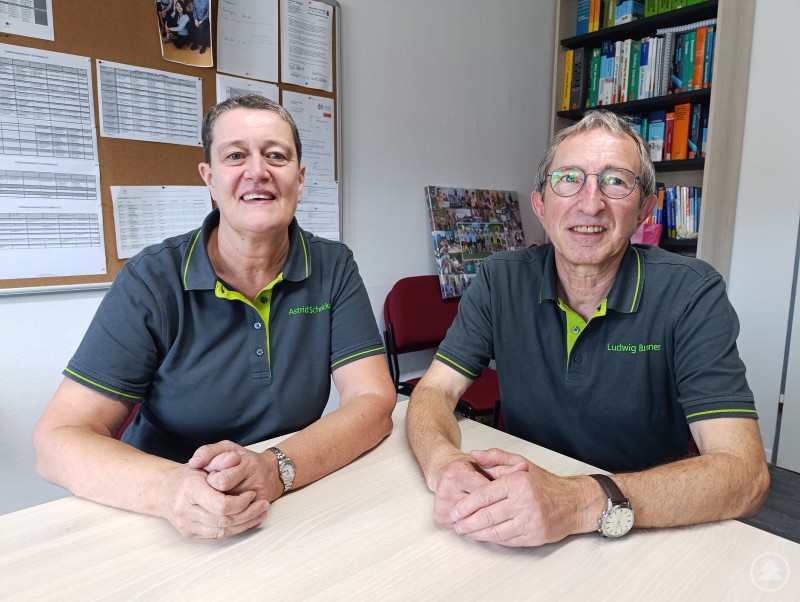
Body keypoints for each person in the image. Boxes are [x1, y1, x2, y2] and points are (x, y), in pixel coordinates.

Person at [33, 94, 396, 539]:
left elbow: (374, 402)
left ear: (299, 179)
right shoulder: (153, 279)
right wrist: (170, 489)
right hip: (162, 513)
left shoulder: (334, 266)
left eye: (276, 155)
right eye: (235, 155)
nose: (257, 171)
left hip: (289, 498)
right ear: (209, 177)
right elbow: (57, 440)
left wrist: (274, 468)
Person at [406, 109, 769, 547]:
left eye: (616, 181)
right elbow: (433, 392)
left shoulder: (691, 293)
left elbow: (745, 474)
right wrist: (444, 461)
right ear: (540, 205)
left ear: (645, 209)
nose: (590, 202)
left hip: (639, 526)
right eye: (569, 178)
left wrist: (577, 501)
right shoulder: (500, 279)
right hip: (520, 515)